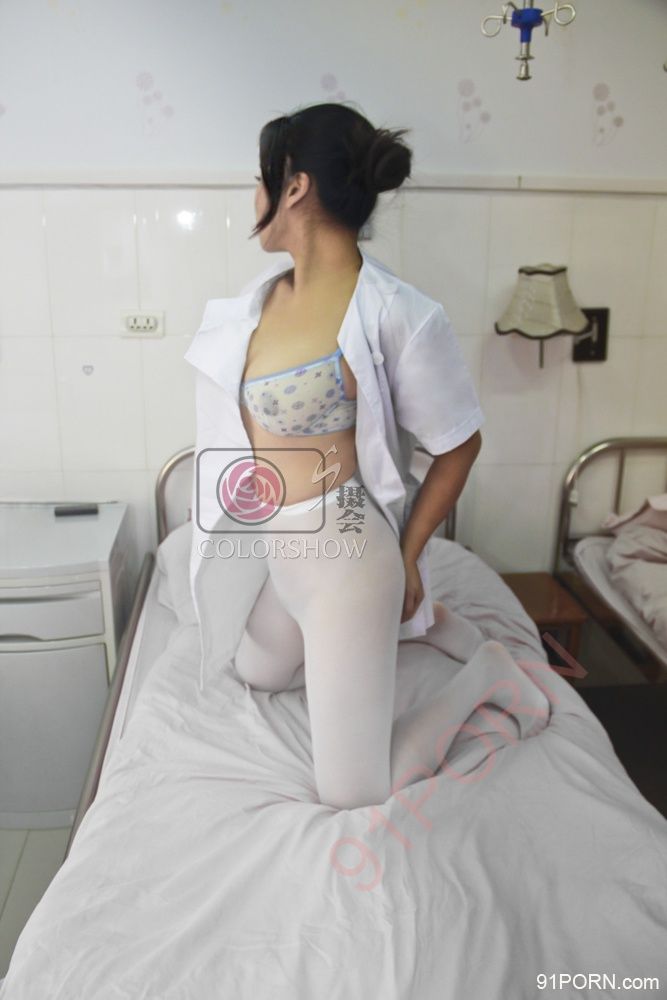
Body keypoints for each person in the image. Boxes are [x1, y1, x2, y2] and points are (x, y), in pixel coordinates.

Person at [187, 101, 550, 810]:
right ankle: (414, 631)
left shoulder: (396, 313)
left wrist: (409, 556)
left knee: (352, 792)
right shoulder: (256, 302)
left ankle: (489, 677)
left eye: (262, 180)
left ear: (294, 186)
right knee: (258, 673)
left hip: (347, 562)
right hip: (280, 550)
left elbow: (460, 445)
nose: (255, 197)